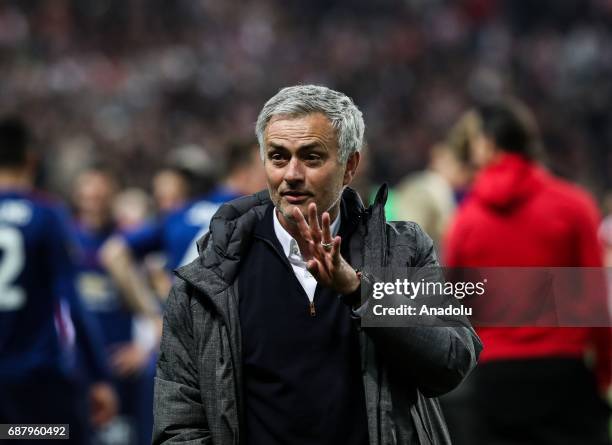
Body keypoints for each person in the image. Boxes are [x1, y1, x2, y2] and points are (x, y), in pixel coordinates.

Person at [152, 85, 482, 445]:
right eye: (278, 157)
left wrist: (361, 292)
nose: (292, 174)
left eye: (311, 157)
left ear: (350, 166)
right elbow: (178, 424)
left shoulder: (402, 251)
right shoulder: (210, 273)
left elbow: (450, 362)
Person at [444, 99, 611, 444]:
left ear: (488, 146)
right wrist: (606, 370)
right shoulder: (574, 206)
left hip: (495, 381)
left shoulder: (466, 222)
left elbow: (456, 305)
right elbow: (595, 301)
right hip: (564, 376)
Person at [0, 117, 117, 444]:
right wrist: (99, 375)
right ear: (31, 160)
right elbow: (71, 301)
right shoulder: (48, 215)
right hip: (35, 377)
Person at [72, 166, 158, 445]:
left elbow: (154, 307)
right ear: (77, 197)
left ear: (112, 197)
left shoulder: (128, 246)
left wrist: (144, 348)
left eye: (100, 196)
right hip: (77, 367)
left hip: (121, 368)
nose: (93, 203)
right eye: (88, 197)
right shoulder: (64, 242)